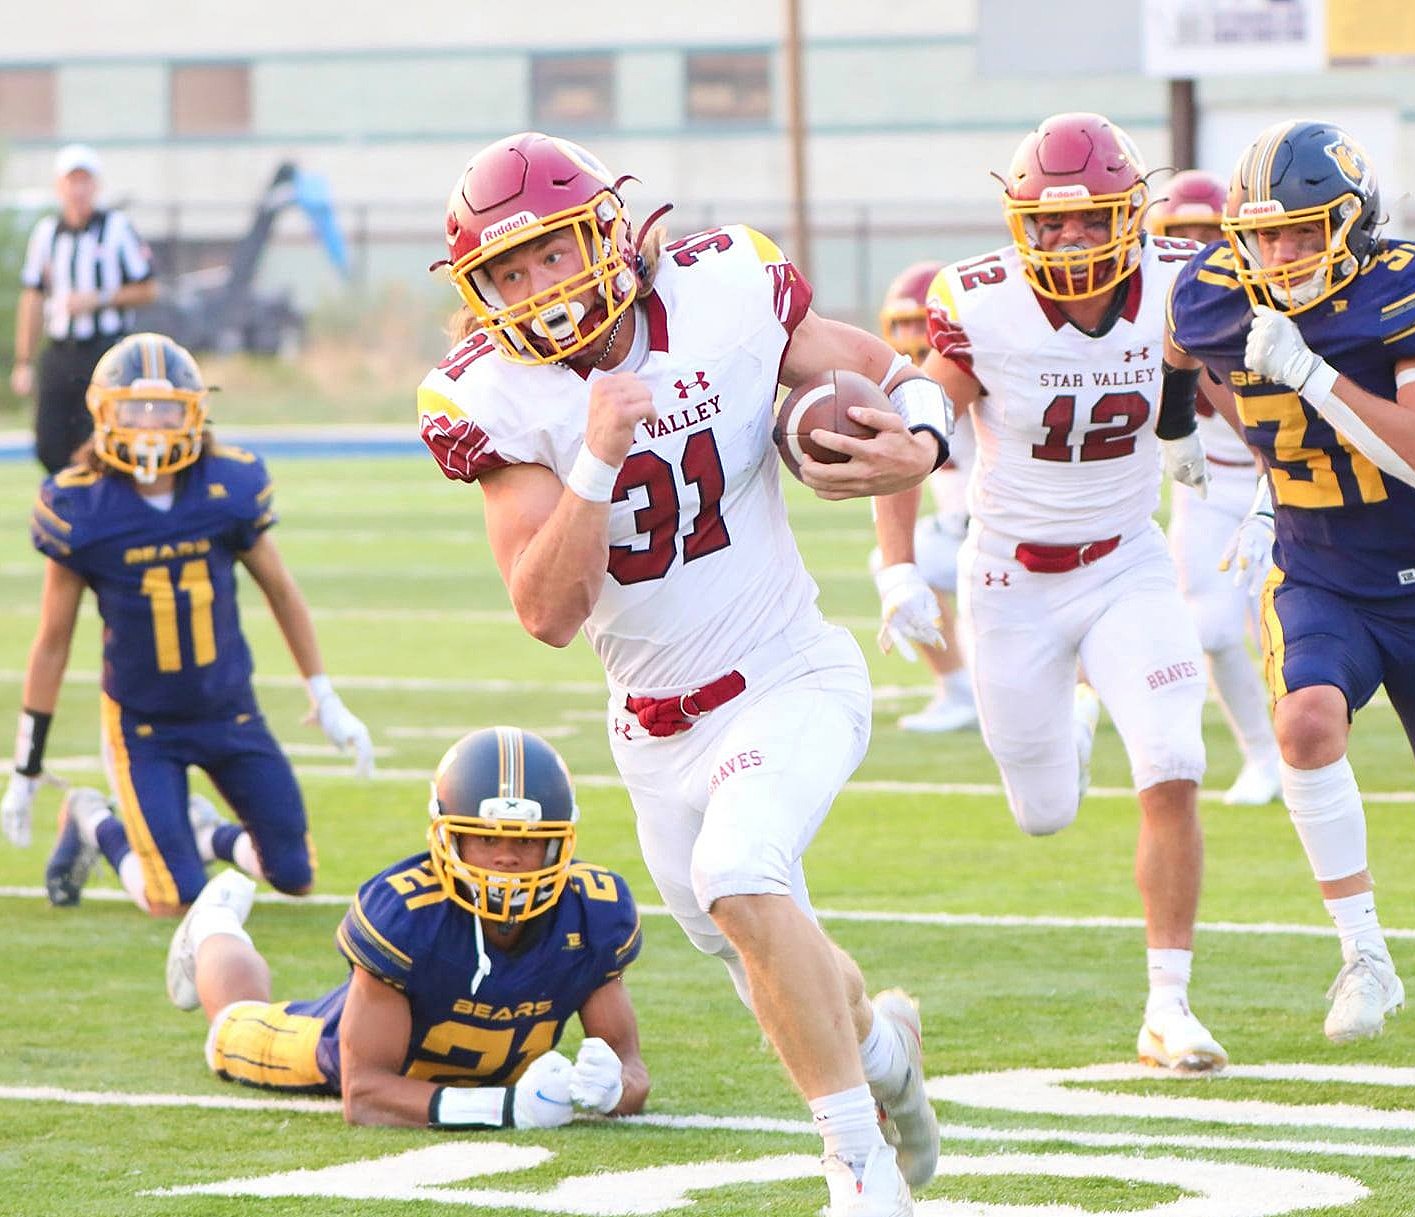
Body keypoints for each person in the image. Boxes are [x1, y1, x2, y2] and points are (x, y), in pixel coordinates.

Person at [416, 132, 943, 1216]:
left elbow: (884, 369)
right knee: (759, 937)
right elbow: (545, 612)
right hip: (653, 733)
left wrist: (923, 439)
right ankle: (885, 1045)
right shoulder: (495, 395)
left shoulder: (721, 288)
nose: (537, 290)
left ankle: (858, 1167)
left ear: (606, 232)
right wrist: (597, 454)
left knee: (741, 878)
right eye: (507, 274)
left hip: (786, 670)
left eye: (551, 255)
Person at [1166, 119, 1415, 1070]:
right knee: (1304, 723)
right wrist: (1181, 428)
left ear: (1353, 222)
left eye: (1303, 231)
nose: (1280, 251)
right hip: (1314, 571)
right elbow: (1177, 350)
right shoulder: (1214, 291)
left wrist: (1310, 372)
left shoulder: (1411, 288)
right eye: (1263, 233)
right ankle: (1364, 955)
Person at [882, 112, 1227, 1074]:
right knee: (1043, 812)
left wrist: (1253, 475)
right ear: (1018, 223)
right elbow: (918, 424)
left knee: (1171, 759)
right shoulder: (979, 300)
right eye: (1049, 224)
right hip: (1012, 580)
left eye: (1088, 223)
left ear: (1131, 215)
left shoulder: (1176, 277)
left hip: (1127, 559)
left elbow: (1216, 375)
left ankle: (1168, 1005)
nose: (1068, 242)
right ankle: (1071, 724)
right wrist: (896, 563)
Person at [1, 332, 372, 913]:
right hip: (143, 723)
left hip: (229, 708)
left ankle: (203, 832)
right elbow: (52, 642)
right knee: (172, 900)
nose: (150, 423)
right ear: (103, 411)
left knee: (296, 875)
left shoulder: (228, 484)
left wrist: (323, 695)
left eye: (166, 408)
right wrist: (26, 764)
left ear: (195, 412)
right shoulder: (81, 506)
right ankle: (96, 821)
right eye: (135, 407)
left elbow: (280, 590)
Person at [165, 725, 651, 1129]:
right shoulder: (407, 913)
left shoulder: (592, 912)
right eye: (485, 839)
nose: (506, 857)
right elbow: (365, 1095)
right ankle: (212, 926)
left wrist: (613, 1090)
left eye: (527, 842)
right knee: (230, 1027)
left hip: (470, 1068)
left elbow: (632, 1070)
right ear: (450, 838)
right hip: (332, 1044)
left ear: (558, 844)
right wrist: (504, 1109)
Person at [1147, 170, 1281, 804]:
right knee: (1215, 631)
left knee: (1280, 630)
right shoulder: (1150, 304)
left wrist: (1270, 498)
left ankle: (1303, 748)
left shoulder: (1269, 294)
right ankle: (1263, 755)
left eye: (1208, 231)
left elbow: (1279, 425)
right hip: (1201, 490)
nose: (1195, 247)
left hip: (1279, 477)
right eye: (1182, 233)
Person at [873, 260, 979, 733]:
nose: (914, 335)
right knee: (891, 563)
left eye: (922, 321)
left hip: (1008, 529)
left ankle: (1080, 691)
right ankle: (957, 692)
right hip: (960, 531)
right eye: (904, 324)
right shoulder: (906, 382)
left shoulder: (969, 370)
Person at [13, 144, 158, 473]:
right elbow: (32, 297)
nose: (78, 189)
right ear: (59, 186)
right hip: (61, 352)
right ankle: (66, 510)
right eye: (71, 181)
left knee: (102, 441)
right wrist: (24, 361)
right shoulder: (46, 234)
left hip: (105, 352)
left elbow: (148, 288)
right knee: (50, 444)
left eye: (84, 181)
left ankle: (101, 512)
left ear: (96, 186)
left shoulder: (117, 228)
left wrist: (100, 298)